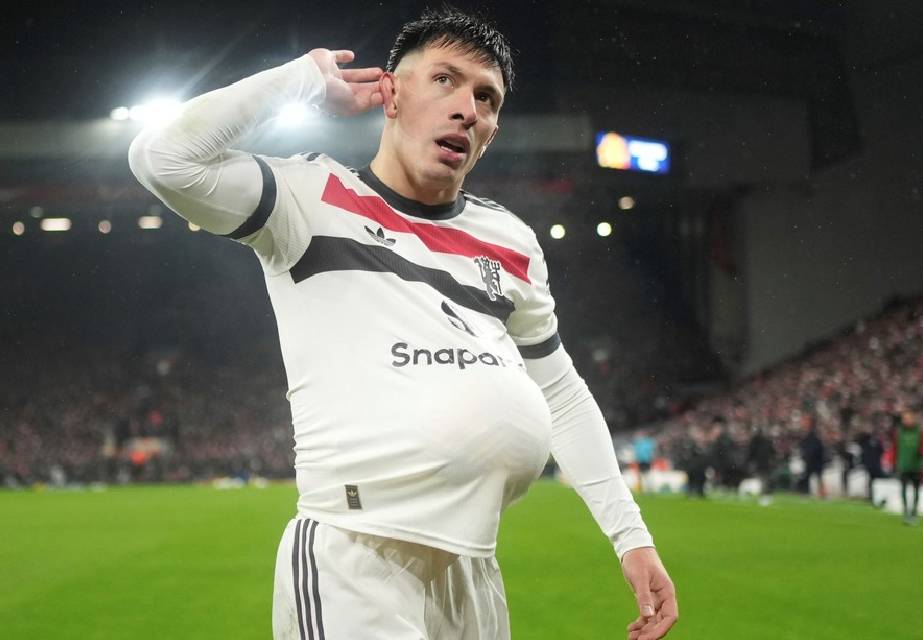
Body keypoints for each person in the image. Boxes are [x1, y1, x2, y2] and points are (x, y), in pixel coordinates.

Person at [128, 8, 677, 640]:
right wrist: (300, 81)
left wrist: (631, 537)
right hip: (356, 555)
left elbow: (561, 394)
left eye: (487, 98)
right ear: (390, 93)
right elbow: (161, 158)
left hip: (473, 574)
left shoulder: (511, 240)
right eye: (445, 80)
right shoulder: (310, 197)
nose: (468, 109)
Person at [890, 409, 923, 525]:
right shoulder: (899, 431)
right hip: (903, 464)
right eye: (904, 419)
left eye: (908, 418)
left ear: (913, 419)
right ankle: (906, 511)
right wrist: (893, 461)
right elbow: (895, 447)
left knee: (916, 489)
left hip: (916, 465)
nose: (906, 421)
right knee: (903, 488)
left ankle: (914, 511)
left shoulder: (920, 431)